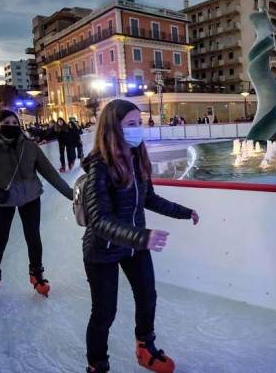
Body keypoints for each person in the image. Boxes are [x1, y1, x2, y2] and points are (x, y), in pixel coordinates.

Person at [81, 99, 199, 373]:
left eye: (139, 123)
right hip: (103, 250)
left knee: (148, 296)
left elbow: (150, 199)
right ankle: (97, 364)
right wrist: (142, 237)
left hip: (134, 246)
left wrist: (184, 211)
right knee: (104, 312)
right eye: (131, 125)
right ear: (113, 128)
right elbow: (99, 220)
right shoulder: (100, 165)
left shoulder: (137, 158)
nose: (138, 129)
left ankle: (145, 346)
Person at [0, 109, 74, 309]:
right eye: (6, 122)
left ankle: (37, 274)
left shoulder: (30, 148)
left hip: (30, 198)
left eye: (14, 122)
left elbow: (52, 175)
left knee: (33, 237)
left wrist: (71, 195)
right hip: (3, 201)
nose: (11, 125)